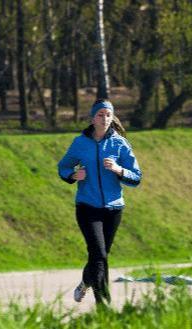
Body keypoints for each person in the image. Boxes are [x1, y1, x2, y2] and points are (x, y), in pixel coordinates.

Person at [57, 99, 142, 304]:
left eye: (108, 115)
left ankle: (86, 281)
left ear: (112, 118)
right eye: (100, 115)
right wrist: (73, 175)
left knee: (99, 257)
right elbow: (63, 167)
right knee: (99, 255)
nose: (105, 118)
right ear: (92, 118)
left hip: (114, 209)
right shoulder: (80, 143)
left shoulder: (120, 143)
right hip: (87, 207)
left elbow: (136, 177)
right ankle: (104, 306)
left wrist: (118, 170)